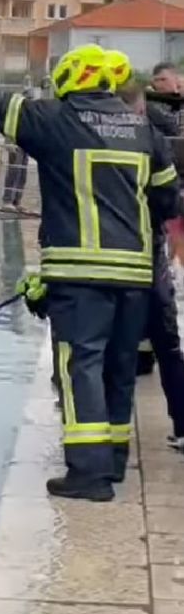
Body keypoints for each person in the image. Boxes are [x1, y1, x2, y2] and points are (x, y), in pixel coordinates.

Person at [0, 43, 180, 501]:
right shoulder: (144, 130)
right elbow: (167, 201)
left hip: (81, 274)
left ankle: (88, 473)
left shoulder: (53, 121)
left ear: (70, 80)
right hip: (136, 275)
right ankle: (114, 460)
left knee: (81, 363)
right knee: (120, 366)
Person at [108, 54, 184, 450]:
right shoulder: (153, 136)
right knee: (167, 342)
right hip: (147, 251)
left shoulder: (98, 136)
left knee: (117, 346)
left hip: (113, 257)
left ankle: (110, 439)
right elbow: (170, 200)